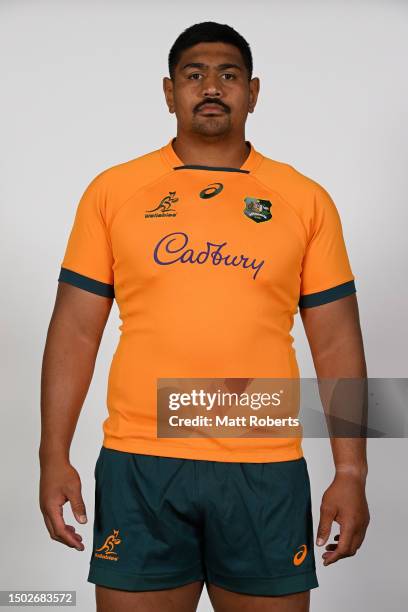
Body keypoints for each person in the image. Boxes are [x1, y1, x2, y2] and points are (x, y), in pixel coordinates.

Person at [39, 21, 370, 612]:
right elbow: (74, 330)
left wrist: (351, 471)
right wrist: (52, 454)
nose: (211, 87)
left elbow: (337, 341)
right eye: (194, 75)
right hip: (140, 463)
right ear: (169, 92)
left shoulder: (305, 199)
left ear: (254, 91)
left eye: (228, 75)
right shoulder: (113, 192)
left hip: (263, 468)